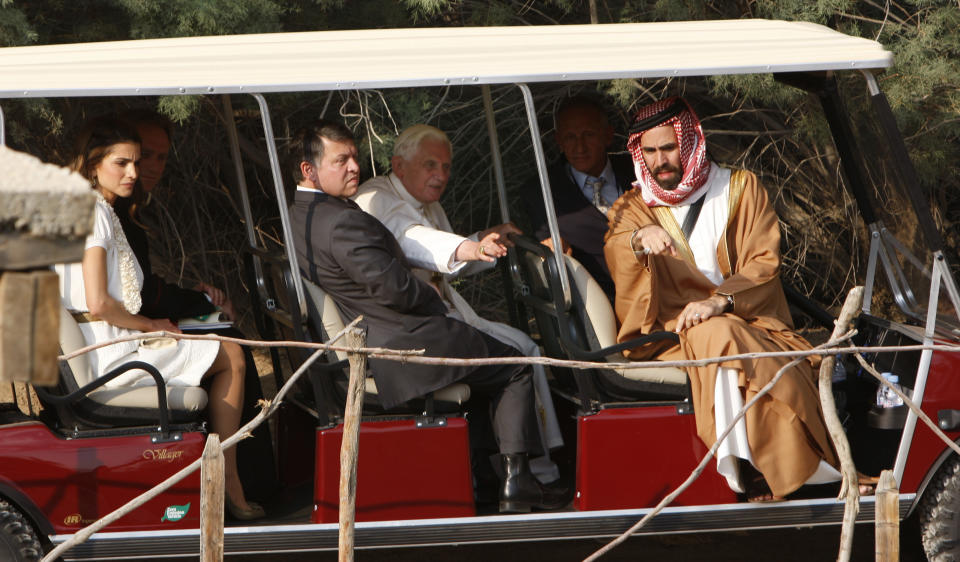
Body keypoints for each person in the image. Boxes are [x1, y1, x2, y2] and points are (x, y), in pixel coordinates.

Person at [288, 119, 564, 513]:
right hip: (399, 340)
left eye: (354, 157)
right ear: (308, 170)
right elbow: (393, 284)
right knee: (515, 364)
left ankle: (491, 478)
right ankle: (516, 483)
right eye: (341, 160)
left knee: (493, 354)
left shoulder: (303, 212)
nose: (354, 167)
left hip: (382, 330)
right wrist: (434, 299)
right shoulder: (343, 218)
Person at [603, 97, 841, 501]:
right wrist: (638, 240)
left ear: (690, 140)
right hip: (670, 334)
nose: (660, 161)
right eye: (650, 151)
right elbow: (616, 248)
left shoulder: (739, 189)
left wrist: (720, 302)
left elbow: (764, 263)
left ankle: (775, 458)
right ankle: (748, 466)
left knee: (724, 331)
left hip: (747, 318)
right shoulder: (633, 208)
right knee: (719, 337)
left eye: (669, 147)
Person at [54, 116, 264, 519]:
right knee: (232, 355)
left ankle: (220, 477)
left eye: (137, 162)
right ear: (94, 163)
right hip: (109, 357)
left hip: (106, 343)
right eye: (122, 163)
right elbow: (99, 303)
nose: (133, 173)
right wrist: (153, 326)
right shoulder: (94, 213)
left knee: (220, 346)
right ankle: (230, 484)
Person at [354, 124, 563, 483]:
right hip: (411, 329)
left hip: (443, 313)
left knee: (523, 344)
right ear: (399, 166)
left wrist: (482, 240)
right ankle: (533, 472)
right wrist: (471, 248)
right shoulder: (377, 198)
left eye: (446, 167)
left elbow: (442, 268)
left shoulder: (423, 201)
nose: (440, 176)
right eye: (430, 165)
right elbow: (415, 241)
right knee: (522, 351)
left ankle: (534, 464)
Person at [115, 108, 277, 506]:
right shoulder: (114, 215)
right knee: (232, 346)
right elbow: (139, 296)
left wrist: (198, 302)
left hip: (137, 322)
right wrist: (196, 301)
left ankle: (253, 478)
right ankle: (240, 483)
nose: (146, 168)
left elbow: (144, 289)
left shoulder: (129, 212)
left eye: (158, 158)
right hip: (123, 337)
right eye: (138, 157)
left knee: (227, 332)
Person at [522, 95, 635, 300]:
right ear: (559, 141)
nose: (579, 147)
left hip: (654, 287)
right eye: (570, 137)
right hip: (595, 301)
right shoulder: (542, 191)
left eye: (589, 135)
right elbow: (546, 246)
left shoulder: (638, 172)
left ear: (607, 135)